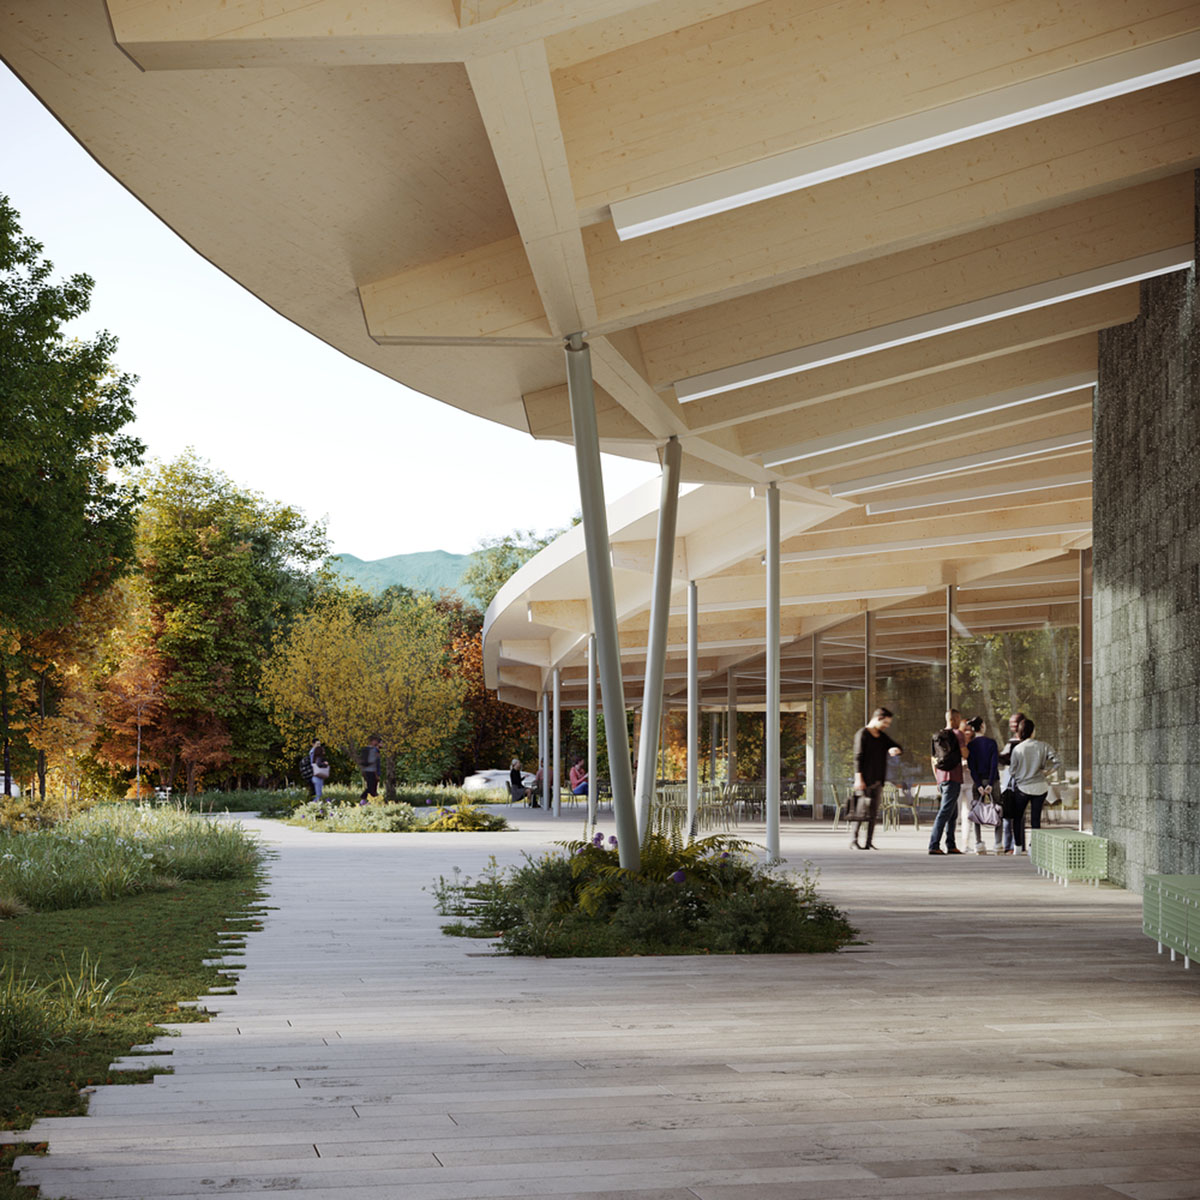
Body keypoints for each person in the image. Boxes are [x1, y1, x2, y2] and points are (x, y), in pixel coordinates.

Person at [1006, 717, 1062, 855]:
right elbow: (1057, 761)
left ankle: (1018, 847)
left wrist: (1022, 772)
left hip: (1023, 787)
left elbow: (1012, 771)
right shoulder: (1044, 746)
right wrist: (1048, 772)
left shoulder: (1018, 749)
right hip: (1040, 786)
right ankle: (1033, 848)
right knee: (1036, 819)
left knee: (1018, 818)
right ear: (1033, 731)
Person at [850, 707, 903, 849]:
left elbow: (897, 746)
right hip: (864, 780)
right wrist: (858, 778)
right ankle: (854, 841)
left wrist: (895, 749)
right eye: (885, 723)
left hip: (878, 779)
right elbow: (857, 758)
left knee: (873, 813)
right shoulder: (862, 734)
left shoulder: (881, 736)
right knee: (860, 812)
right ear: (878, 718)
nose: (887, 726)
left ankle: (868, 842)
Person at [928, 708, 967, 855]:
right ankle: (934, 844)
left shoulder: (937, 736)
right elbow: (965, 754)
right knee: (945, 812)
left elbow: (933, 760)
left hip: (942, 777)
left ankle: (951, 845)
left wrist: (937, 780)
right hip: (954, 777)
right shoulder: (958, 734)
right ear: (955, 719)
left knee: (953, 813)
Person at [965, 717, 1002, 854]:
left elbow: (971, 767)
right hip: (993, 781)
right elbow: (994, 764)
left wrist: (979, 784)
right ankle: (998, 844)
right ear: (982, 726)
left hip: (978, 782)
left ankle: (978, 843)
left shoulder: (971, 745)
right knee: (998, 810)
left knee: (977, 811)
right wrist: (990, 783)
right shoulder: (991, 743)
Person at [359, 735, 381, 801]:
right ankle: (364, 798)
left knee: (371, 787)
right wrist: (376, 774)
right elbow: (374, 762)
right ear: (372, 741)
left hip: (367, 770)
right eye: (376, 741)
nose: (377, 742)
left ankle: (368, 799)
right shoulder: (373, 750)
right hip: (372, 771)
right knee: (371, 787)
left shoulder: (366, 749)